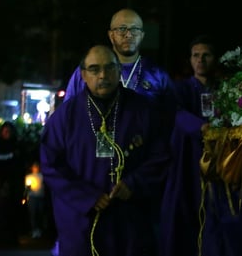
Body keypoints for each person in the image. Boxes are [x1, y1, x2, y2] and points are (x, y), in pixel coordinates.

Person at [41, 45, 171, 255]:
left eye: (110, 68)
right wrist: (87, 197)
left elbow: (161, 156)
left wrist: (133, 184)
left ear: (119, 70)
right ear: (83, 75)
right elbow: (51, 165)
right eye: (94, 69)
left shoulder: (143, 110)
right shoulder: (65, 116)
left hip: (129, 218)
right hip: (82, 219)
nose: (103, 75)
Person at [160, 35, 221, 256]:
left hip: (218, 158)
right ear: (190, 59)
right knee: (184, 211)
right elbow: (175, 112)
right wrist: (200, 127)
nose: (201, 60)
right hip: (187, 157)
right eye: (196, 55)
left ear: (215, 59)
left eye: (206, 55)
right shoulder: (180, 88)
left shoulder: (224, 89)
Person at [0, 121, 21, 245]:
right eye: (5, 130)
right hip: (0, 179)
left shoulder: (15, 143)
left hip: (13, 181)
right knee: (0, 208)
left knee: (12, 208)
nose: (7, 133)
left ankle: (12, 236)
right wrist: (11, 155)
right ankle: (1, 235)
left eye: (9, 131)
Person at [24, 161, 45, 239]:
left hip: (40, 197)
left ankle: (39, 230)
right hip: (32, 197)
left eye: (37, 166)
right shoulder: (28, 177)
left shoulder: (42, 176)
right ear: (32, 168)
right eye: (34, 166)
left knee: (40, 214)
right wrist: (27, 189)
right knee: (33, 214)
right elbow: (26, 188)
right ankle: (34, 230)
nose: (36, 167)